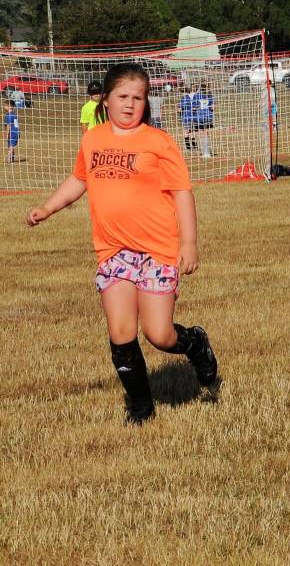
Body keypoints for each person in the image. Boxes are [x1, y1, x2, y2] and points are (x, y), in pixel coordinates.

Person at [25, 63, 217, 424]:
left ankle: (196, 345)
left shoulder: (158, 143)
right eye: (122, 96)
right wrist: (48, 207)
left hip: (157, 250)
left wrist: (188, 242)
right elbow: (78, 180)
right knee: (121, 331)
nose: (130, 104)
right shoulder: (93, 139)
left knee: (159, 334)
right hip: (113, 251)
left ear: (146, 103)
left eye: (138, 98)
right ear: (106, 100)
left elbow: (181, 193)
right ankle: (141, 406)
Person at [193, 84, 215, 158]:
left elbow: (193, 107)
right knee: (206, 133)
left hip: (199, 117)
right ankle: (207, 152)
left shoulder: (196, 96)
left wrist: (195, 112)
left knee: (202, 133)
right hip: (207, 117)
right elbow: (213, 108)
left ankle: (204, 153)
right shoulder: (210, 96)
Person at [179, 86, 196, 153]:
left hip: (185, 117)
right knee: (192, 131)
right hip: (192, 117)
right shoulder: (193, 98)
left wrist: (180, 113)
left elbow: (180, 109)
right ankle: (194, 146)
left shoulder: (184, 98)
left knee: (186, 131)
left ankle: (188, 147)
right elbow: (194, 108)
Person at [4, 98, 19, 163]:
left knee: (11, 146)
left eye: (5, 105)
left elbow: (8, 125)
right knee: (11, 145)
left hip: (12, 132)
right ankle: (12, 158)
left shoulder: (8, 115)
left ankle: (9, 159)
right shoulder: (14, 114)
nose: (4, 107)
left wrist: (7, 134)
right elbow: (16, 124)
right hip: (16, 131)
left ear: (9, 106)